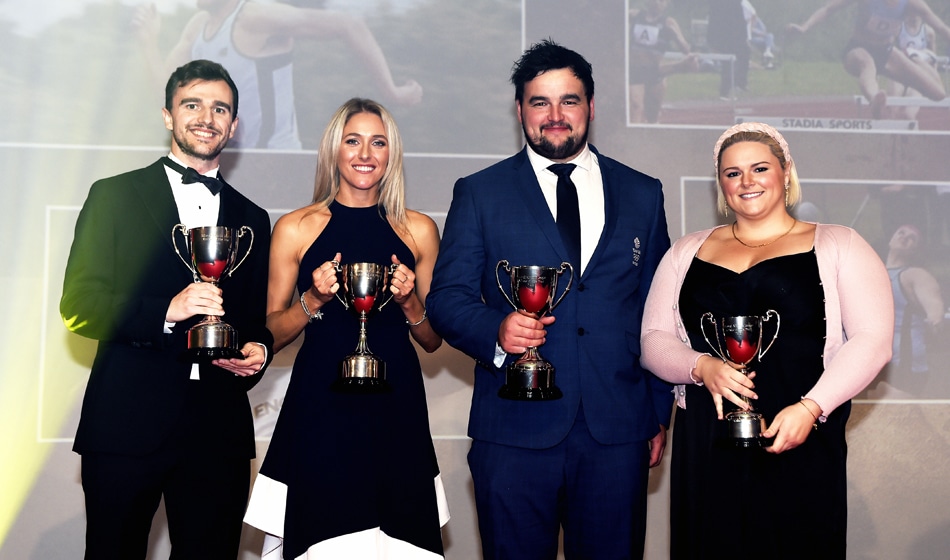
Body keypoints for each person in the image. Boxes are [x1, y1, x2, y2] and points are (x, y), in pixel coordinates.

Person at [426, 40, 673, 559]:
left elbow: (659, 312)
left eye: (569, 100)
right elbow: (447, 298)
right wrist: (496, 331)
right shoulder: (480, 192)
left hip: (617, 432)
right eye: (540, 102)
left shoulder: (643, 193)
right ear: (519, 110)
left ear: (591, 107)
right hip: (513, 432)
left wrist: (655, 413)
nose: (555, 115)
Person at [640, 122, 893, 557]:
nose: (747, 181)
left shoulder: (839, 244)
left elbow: (873, 341)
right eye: (732, 173)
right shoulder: (685, 251)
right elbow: (652, 340)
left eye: (759, 168)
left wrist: (811, 408)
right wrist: (701, 367)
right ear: (721, 185)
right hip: (706, 444)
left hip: (799, 436)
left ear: (785, 171)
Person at [60, 59, 273, 558]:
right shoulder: (114, 196)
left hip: (217, 432)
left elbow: (252, 319)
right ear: (167, 115)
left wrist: (259, 350)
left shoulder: (254, 218)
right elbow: (79, 305)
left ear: (233, 125)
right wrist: (167, 310)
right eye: (192, 104)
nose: (206, 117)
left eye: (220, 108)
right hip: (126, 425)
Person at [242, 98, 448, 559]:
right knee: (322, 535)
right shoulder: (295, 228)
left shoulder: (419, 230)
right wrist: (312, 300)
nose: (365, 154)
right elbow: (271, 331)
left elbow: (433, 339)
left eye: (378, 142)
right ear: (333, 149)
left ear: (392, 153)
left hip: (396, 407)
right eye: (353, 141)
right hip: (321, 406)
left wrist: (409, 301)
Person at [134, 0, 423, 149]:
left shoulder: (255, 16)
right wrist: (148, 43)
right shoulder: (197, 27)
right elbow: (166, 94)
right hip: (228, 165)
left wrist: (392, 91)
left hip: (274, 161)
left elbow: (349, 26)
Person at [787, 0, 950, 119]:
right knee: (867, 64)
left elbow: (941, 27)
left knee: (938, 93)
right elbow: (828, 8)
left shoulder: (911, 3)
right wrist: (805, 27)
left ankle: (916, 65)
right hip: (858, 49)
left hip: (886, 53)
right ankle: (875, 100)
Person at [883, 224, 944, 394]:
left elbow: (934, 308)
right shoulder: (872, 273)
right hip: (873, 362)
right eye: (901, 233)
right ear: (890, 239)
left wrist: (935, 319)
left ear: (915, 250)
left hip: (903, 365)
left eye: (912, 238)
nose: (904, 237)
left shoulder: (915, 275)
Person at [628, 0, 699, 123]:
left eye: (662, 1)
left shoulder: (668, 23)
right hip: (635, 70)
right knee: (636, 106)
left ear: (666, 3)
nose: (657, 3)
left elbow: (685, 49)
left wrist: (676, 36)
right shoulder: (634, 16)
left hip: (655, 72)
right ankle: (633, 133)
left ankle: (652, 132)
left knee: (652, 116)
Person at [707, 0, 750, 99]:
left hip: (735, 35)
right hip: (724, 35)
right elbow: (713, 19)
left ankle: (740, 83)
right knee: (727, 63)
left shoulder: (735, 4)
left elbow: (740, 19)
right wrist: (712, 40)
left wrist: (744, 37)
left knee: (744, 53)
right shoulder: (718, 4)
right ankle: (725, 91)